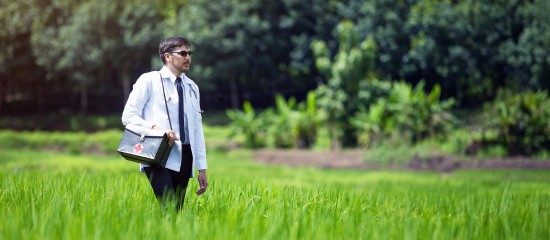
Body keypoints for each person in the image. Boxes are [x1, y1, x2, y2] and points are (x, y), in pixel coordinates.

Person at [122, 36, 208, 211]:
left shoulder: (192, 87)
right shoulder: (149, 80)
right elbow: (128, 117)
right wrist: (156, 129)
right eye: (183, 53)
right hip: (156, 153)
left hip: (185, 155)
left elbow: (197, 130)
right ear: (167, 56)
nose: (188, 57)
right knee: (168, 207)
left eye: (189, 53)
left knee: (176, 211)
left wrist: (202, 167)